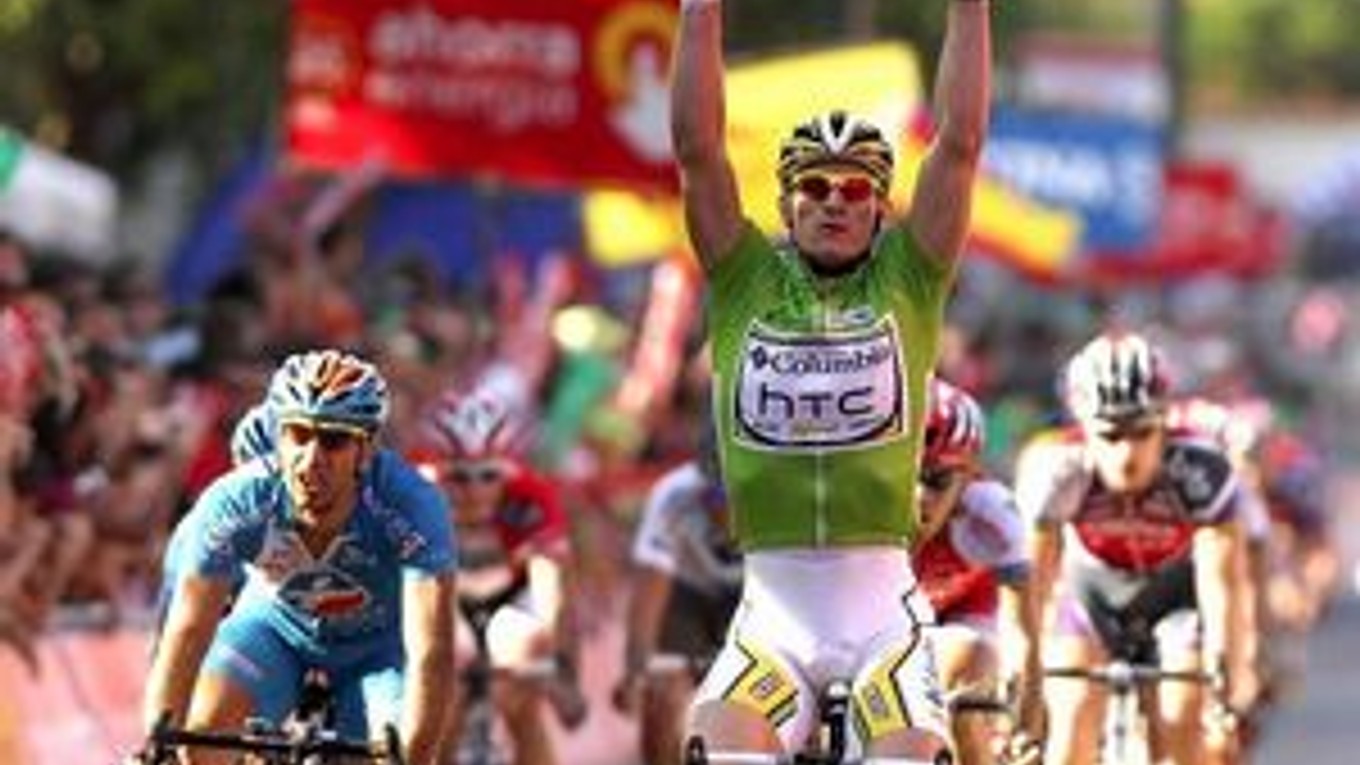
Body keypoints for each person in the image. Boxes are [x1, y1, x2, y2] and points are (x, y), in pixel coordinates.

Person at [670, 0, 992, 759]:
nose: (835, 203)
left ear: (881, 209)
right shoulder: (743, 278)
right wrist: (699, 11)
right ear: (786, 204)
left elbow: (960, 143)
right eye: (816, 188)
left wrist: (970, 9)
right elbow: (697, 149)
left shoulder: (909, 279)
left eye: (856, 190)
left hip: (881, 621)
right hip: (772, 620)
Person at [140, 349, 456, 765]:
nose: (311, 460)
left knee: (392, 746)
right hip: (273, 630)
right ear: (278, 437)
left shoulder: (413, 504)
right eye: (298, 435)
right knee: (205, 734)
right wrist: (158, 742)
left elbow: (431, 649)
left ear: (366, 449)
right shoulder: (237, 500)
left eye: (333, 441)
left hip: (378, 652)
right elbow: (187, 629)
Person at [1014, 331, 1244, 765]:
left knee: (1180, 717)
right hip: (1090, 600)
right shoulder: (1056, 471)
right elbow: (1031, 588)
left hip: (1177, 601)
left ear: (1165, 423)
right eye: (1110, 435)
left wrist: (1225, 675)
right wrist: (1025, 678)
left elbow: (1223, 583)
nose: (1127, 452)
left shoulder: (1202, 469)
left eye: (1142, 432)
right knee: (1072, 720)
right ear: (1083, 430)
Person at [412, 388, 585, 765]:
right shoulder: (412, 498)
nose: (474, 490)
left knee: (523, 686)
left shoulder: (531, 495)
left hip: (508, 599)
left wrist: (565, 671)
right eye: (458, 477)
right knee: (443, 704)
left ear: (507, 468)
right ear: (435, 469)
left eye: (489, 475)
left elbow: (553, 590)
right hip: (441, 600)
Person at [911, 379, 1042, 765]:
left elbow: (1024, 635)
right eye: (905, 477)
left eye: (937, 480)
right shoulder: (857, 507)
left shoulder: (992, 516)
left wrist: (1026, 726)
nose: (919, 496)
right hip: (885, 620)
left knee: (966, 663)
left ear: (969, 475)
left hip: (962, 613)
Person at [612, 445, 742, 765]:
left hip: (755, 590)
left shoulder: (782, 496)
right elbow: (649, 593)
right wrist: (635, 673)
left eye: (737, 498)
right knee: (662, 695)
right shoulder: (674, 496)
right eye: (715, 497)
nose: (725, 511)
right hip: (687, 591)